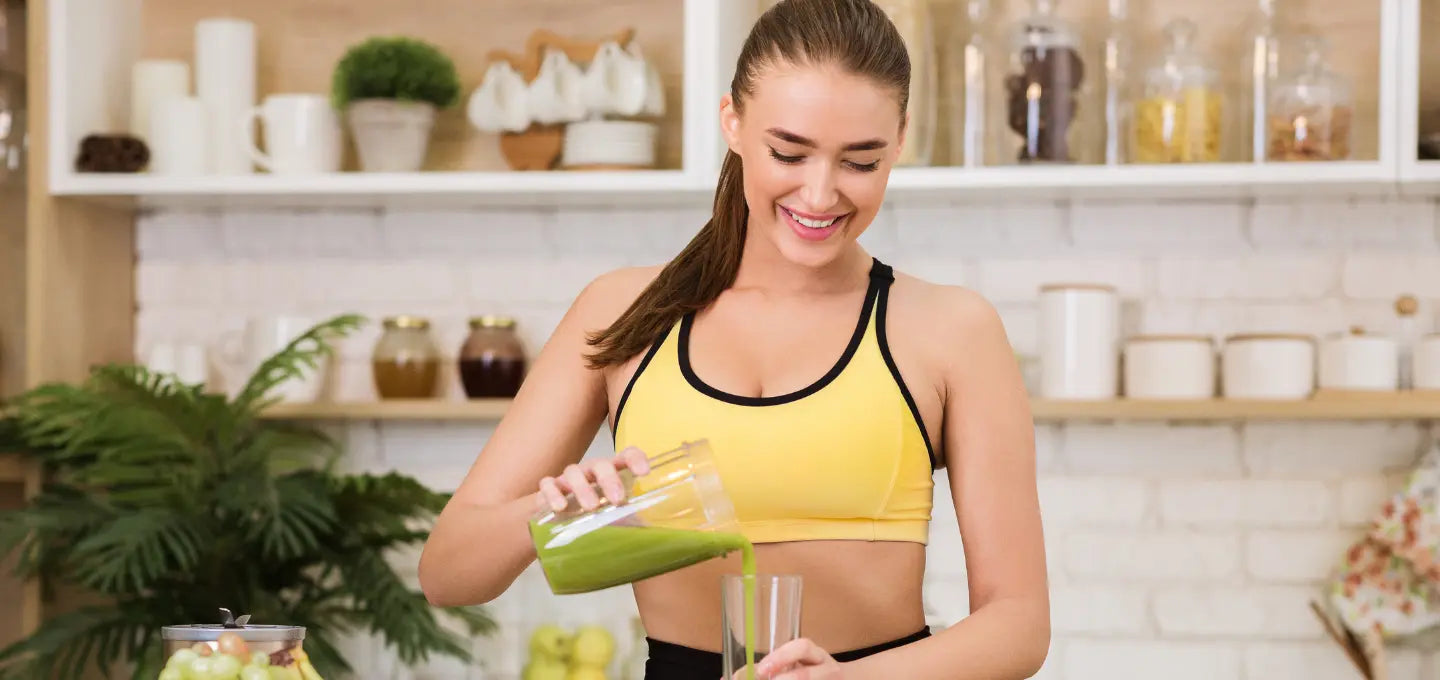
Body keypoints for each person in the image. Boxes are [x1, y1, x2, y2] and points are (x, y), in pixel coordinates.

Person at [418, 0, 1050, 677]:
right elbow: (448, 575)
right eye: (788, 152)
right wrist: (550, 511)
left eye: (860, 163)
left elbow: (1018, 623)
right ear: (733, 123)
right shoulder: (625, 313)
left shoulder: (951, 330)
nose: (819, 194)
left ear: (899, 139)